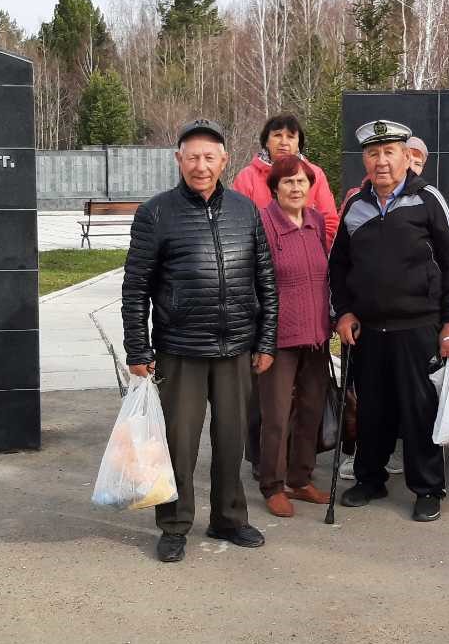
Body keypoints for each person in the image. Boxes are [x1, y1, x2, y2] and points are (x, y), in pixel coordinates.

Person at [121, 119, 279, 564]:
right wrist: (138, 348)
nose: (201, 166)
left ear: (224, 161)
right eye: (192, 157)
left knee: (232, 441)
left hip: (236, 350)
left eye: (210, 157)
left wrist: (265, 341)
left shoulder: (246, 211)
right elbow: (136, 286)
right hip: (180, 351)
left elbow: (265, 280)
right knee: (178, 445)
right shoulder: (155, 213)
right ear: (179, 160)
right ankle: (173, 524)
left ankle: (229, 518)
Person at [330, 119, 449, 523]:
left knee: (419, 411)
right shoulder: (355, 206)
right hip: (369, 330)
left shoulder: (428, 199)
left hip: (418, 327)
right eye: (373, 154)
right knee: (372, 410)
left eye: (389, 152)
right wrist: (344, 312)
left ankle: (427, 487)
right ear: (365, 160)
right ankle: (370, 479)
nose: (381, 161)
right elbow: (339, 268)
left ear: (407, 157)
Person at [254, 156, 335, 518]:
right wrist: (262, 339)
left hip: (316, 334)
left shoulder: (316, 222)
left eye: (302, 181)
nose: (296, 188)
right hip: (278, 337)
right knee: (276, 415)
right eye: (288, 182)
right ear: (275, 188)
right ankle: (272, 484)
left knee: (311, 409)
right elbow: (255, 283)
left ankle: (300, 479)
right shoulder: (265, 225)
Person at [232, 113, 339, 247]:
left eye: (290, 137)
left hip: (308, 257)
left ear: (298, 143)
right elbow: (237, 225)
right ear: (266, 141)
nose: (284, 142)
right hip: (261, 260)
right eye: (277, 135)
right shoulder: (247, 177)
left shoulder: (315, 174)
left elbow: (329, 223)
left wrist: (311, 252)